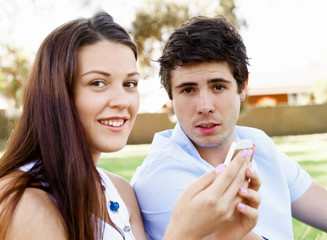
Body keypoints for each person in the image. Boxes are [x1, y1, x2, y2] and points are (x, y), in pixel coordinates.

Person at [0, 12, 262, 240]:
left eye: (129, 84)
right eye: (98, 83)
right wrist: (183, 234)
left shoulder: (121, 193)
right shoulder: (25, 201)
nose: (121, 101)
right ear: (56, 92)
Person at [131, 15, 327, 240]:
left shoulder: (256, 143)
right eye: (188, 90)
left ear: (242, 87)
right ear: (170, 96)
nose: (204, 106)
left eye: (218, 87)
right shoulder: (159, 178)